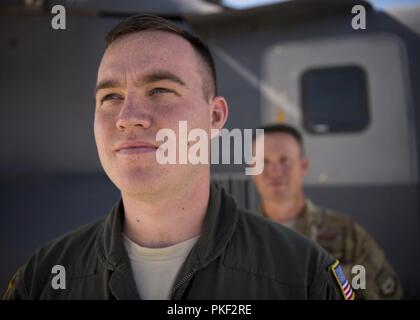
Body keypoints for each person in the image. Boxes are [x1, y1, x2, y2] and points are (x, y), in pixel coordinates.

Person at [3, 14, 346, 300]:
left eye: (161, 90)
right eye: (110, 96)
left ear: (214, 118)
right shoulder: (42, 280)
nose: (128, 116)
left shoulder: (302, 277)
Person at [252, 123, 403, 300]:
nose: (275, 170)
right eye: (264, 162)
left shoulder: (346, 233)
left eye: (285, 160)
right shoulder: (240, 238)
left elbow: (390, 296)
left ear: (304, 166)